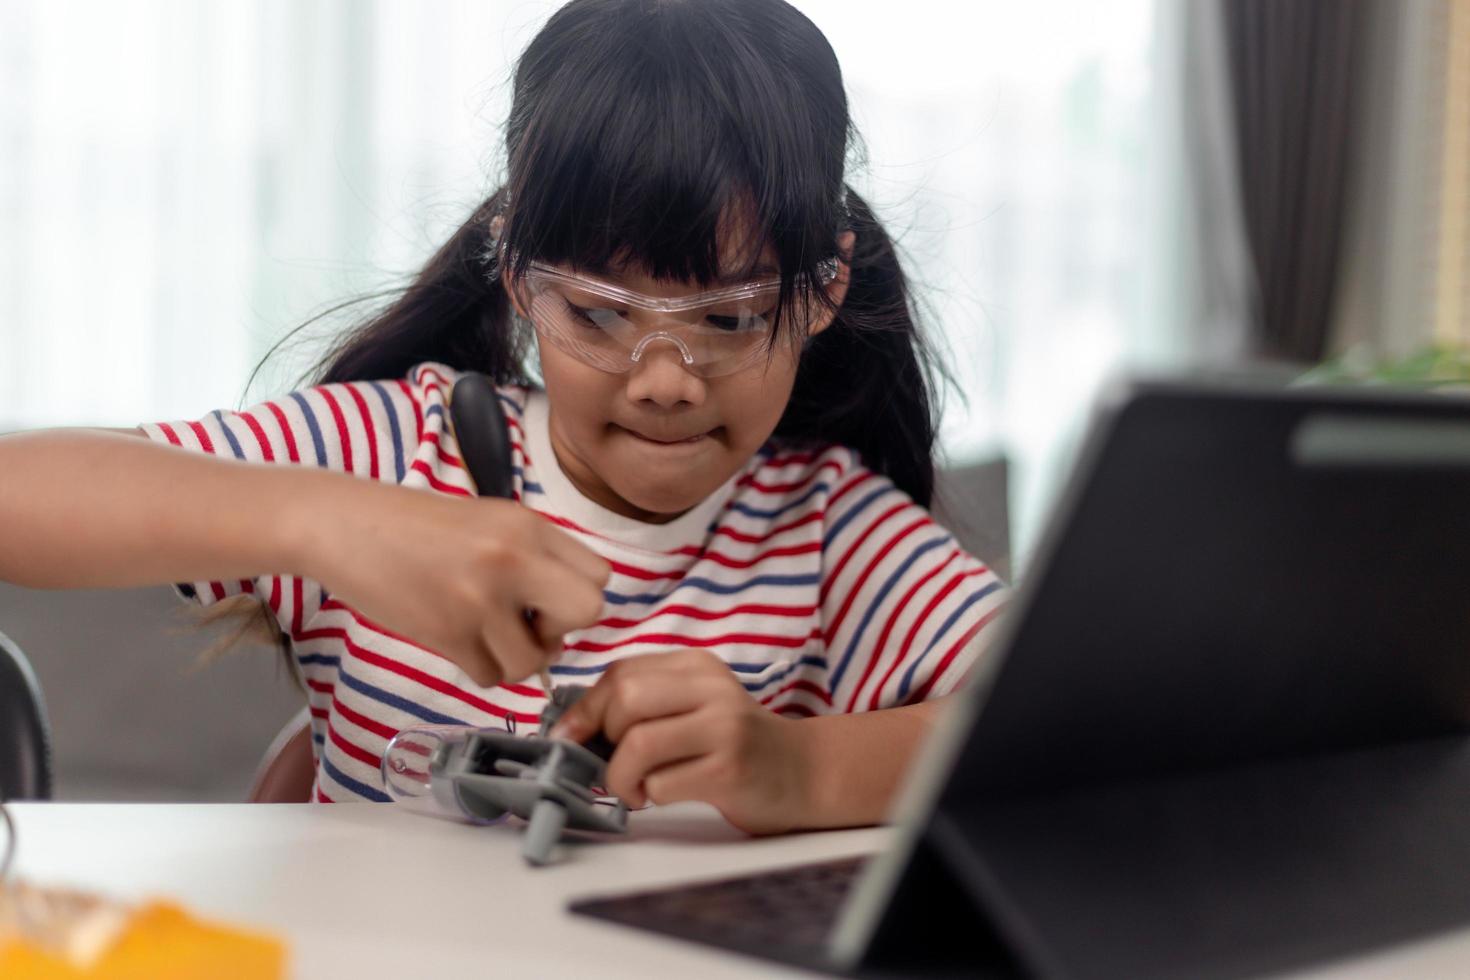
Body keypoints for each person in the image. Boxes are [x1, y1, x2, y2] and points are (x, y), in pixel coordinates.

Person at [0, 0, 1006, 833]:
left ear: (824, 288)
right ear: (517, 276)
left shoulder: (831, 533)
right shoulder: (392, 454)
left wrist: (798, 767)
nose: (665, 378)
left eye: (731, 317)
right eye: (600, 313)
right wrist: (321, 521)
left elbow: (1079, 736)